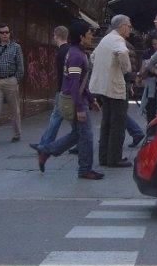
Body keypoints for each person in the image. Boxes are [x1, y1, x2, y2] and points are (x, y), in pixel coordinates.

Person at [36, 20, 104, 180]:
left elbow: (80, 82)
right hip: (74, 101)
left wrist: (90, 98)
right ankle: (84, 169)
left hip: (75, 99)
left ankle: (47, 150)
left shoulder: (77, 52)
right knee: (86, 135)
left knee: (78, 134)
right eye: (89, 33)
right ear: (81, 36)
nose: (91, 36)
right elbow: (73, 84)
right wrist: (80, 107)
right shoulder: (75, 55)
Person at [89, 14, 133, 168]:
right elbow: (122, 53)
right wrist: (125, 69)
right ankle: (114, 158)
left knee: (106, 121)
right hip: (115, 87)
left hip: (102, 87)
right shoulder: (118, 40)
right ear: (121, 26)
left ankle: (104, 156)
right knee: (118, 123)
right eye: (128, 25)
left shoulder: (105, 39)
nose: (130, 29)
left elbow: (93, 57)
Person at [30, 26, 70, 152]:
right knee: (59, 117)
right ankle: (44, 144)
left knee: (57, 117)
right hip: (67, 90)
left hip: (63, 90)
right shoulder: (68, 50)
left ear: (55, 36)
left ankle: (44, 145)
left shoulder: (61, 52)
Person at [139, 31, 157, 123]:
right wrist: (146, 67)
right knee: (151, 109)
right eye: (154, 44)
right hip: (151, 85)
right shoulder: (148, 53)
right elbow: (142, 72)